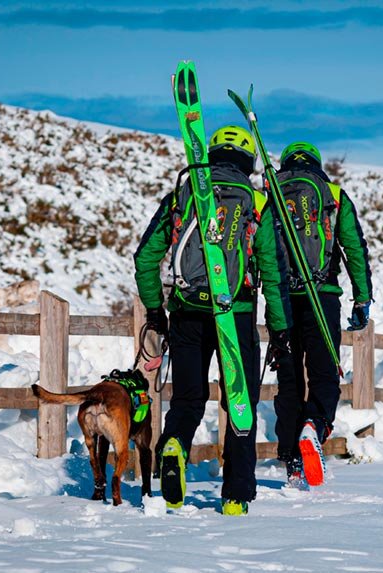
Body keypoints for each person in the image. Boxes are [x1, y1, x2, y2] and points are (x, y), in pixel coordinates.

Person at [134, 125, 293, 516]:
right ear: (249, 161)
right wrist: (279, 328)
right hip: (235, 315)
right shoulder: (258, 202)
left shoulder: (183, 195)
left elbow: (145, 258)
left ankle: (174, 446)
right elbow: (272, 273)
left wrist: (156, 310)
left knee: (188, 399)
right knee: (240, 403)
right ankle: (237, 494)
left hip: (187, 312)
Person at [270, 141, 373, 489]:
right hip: (322, 296)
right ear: (317, 164)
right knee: (325, 374)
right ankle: (314, 425)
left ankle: (291, 459)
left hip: (281, 298)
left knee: (289, 381)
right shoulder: (333, 195)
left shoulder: (269, 193)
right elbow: (354, 248)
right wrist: (362, 300)